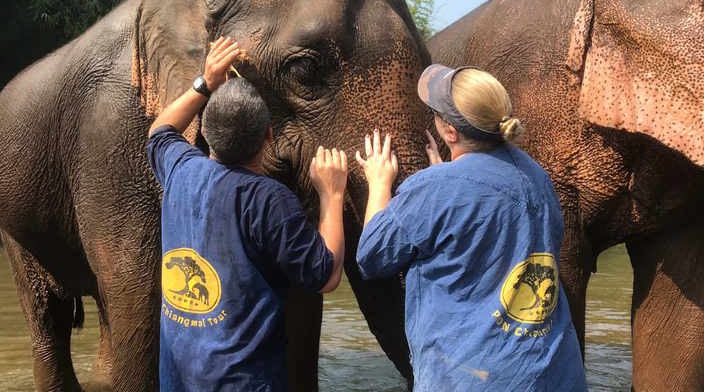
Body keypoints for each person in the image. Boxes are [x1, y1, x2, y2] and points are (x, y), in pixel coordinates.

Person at [355, 64, 588, 391]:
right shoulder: (538, 176)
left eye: (436, 113)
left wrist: (379, 183)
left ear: (450, 133)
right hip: (555, 374)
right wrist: (447, 181)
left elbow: (371, 257)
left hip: (470, 378)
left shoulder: (435, 187)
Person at [147, 36, 348, 392]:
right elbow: (326, 276)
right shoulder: (269, 200)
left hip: (178, 378)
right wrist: (331, 196)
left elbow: (160, 131)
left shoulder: (180, 170)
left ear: (205, 133)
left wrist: (205, 83)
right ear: (269, 137)